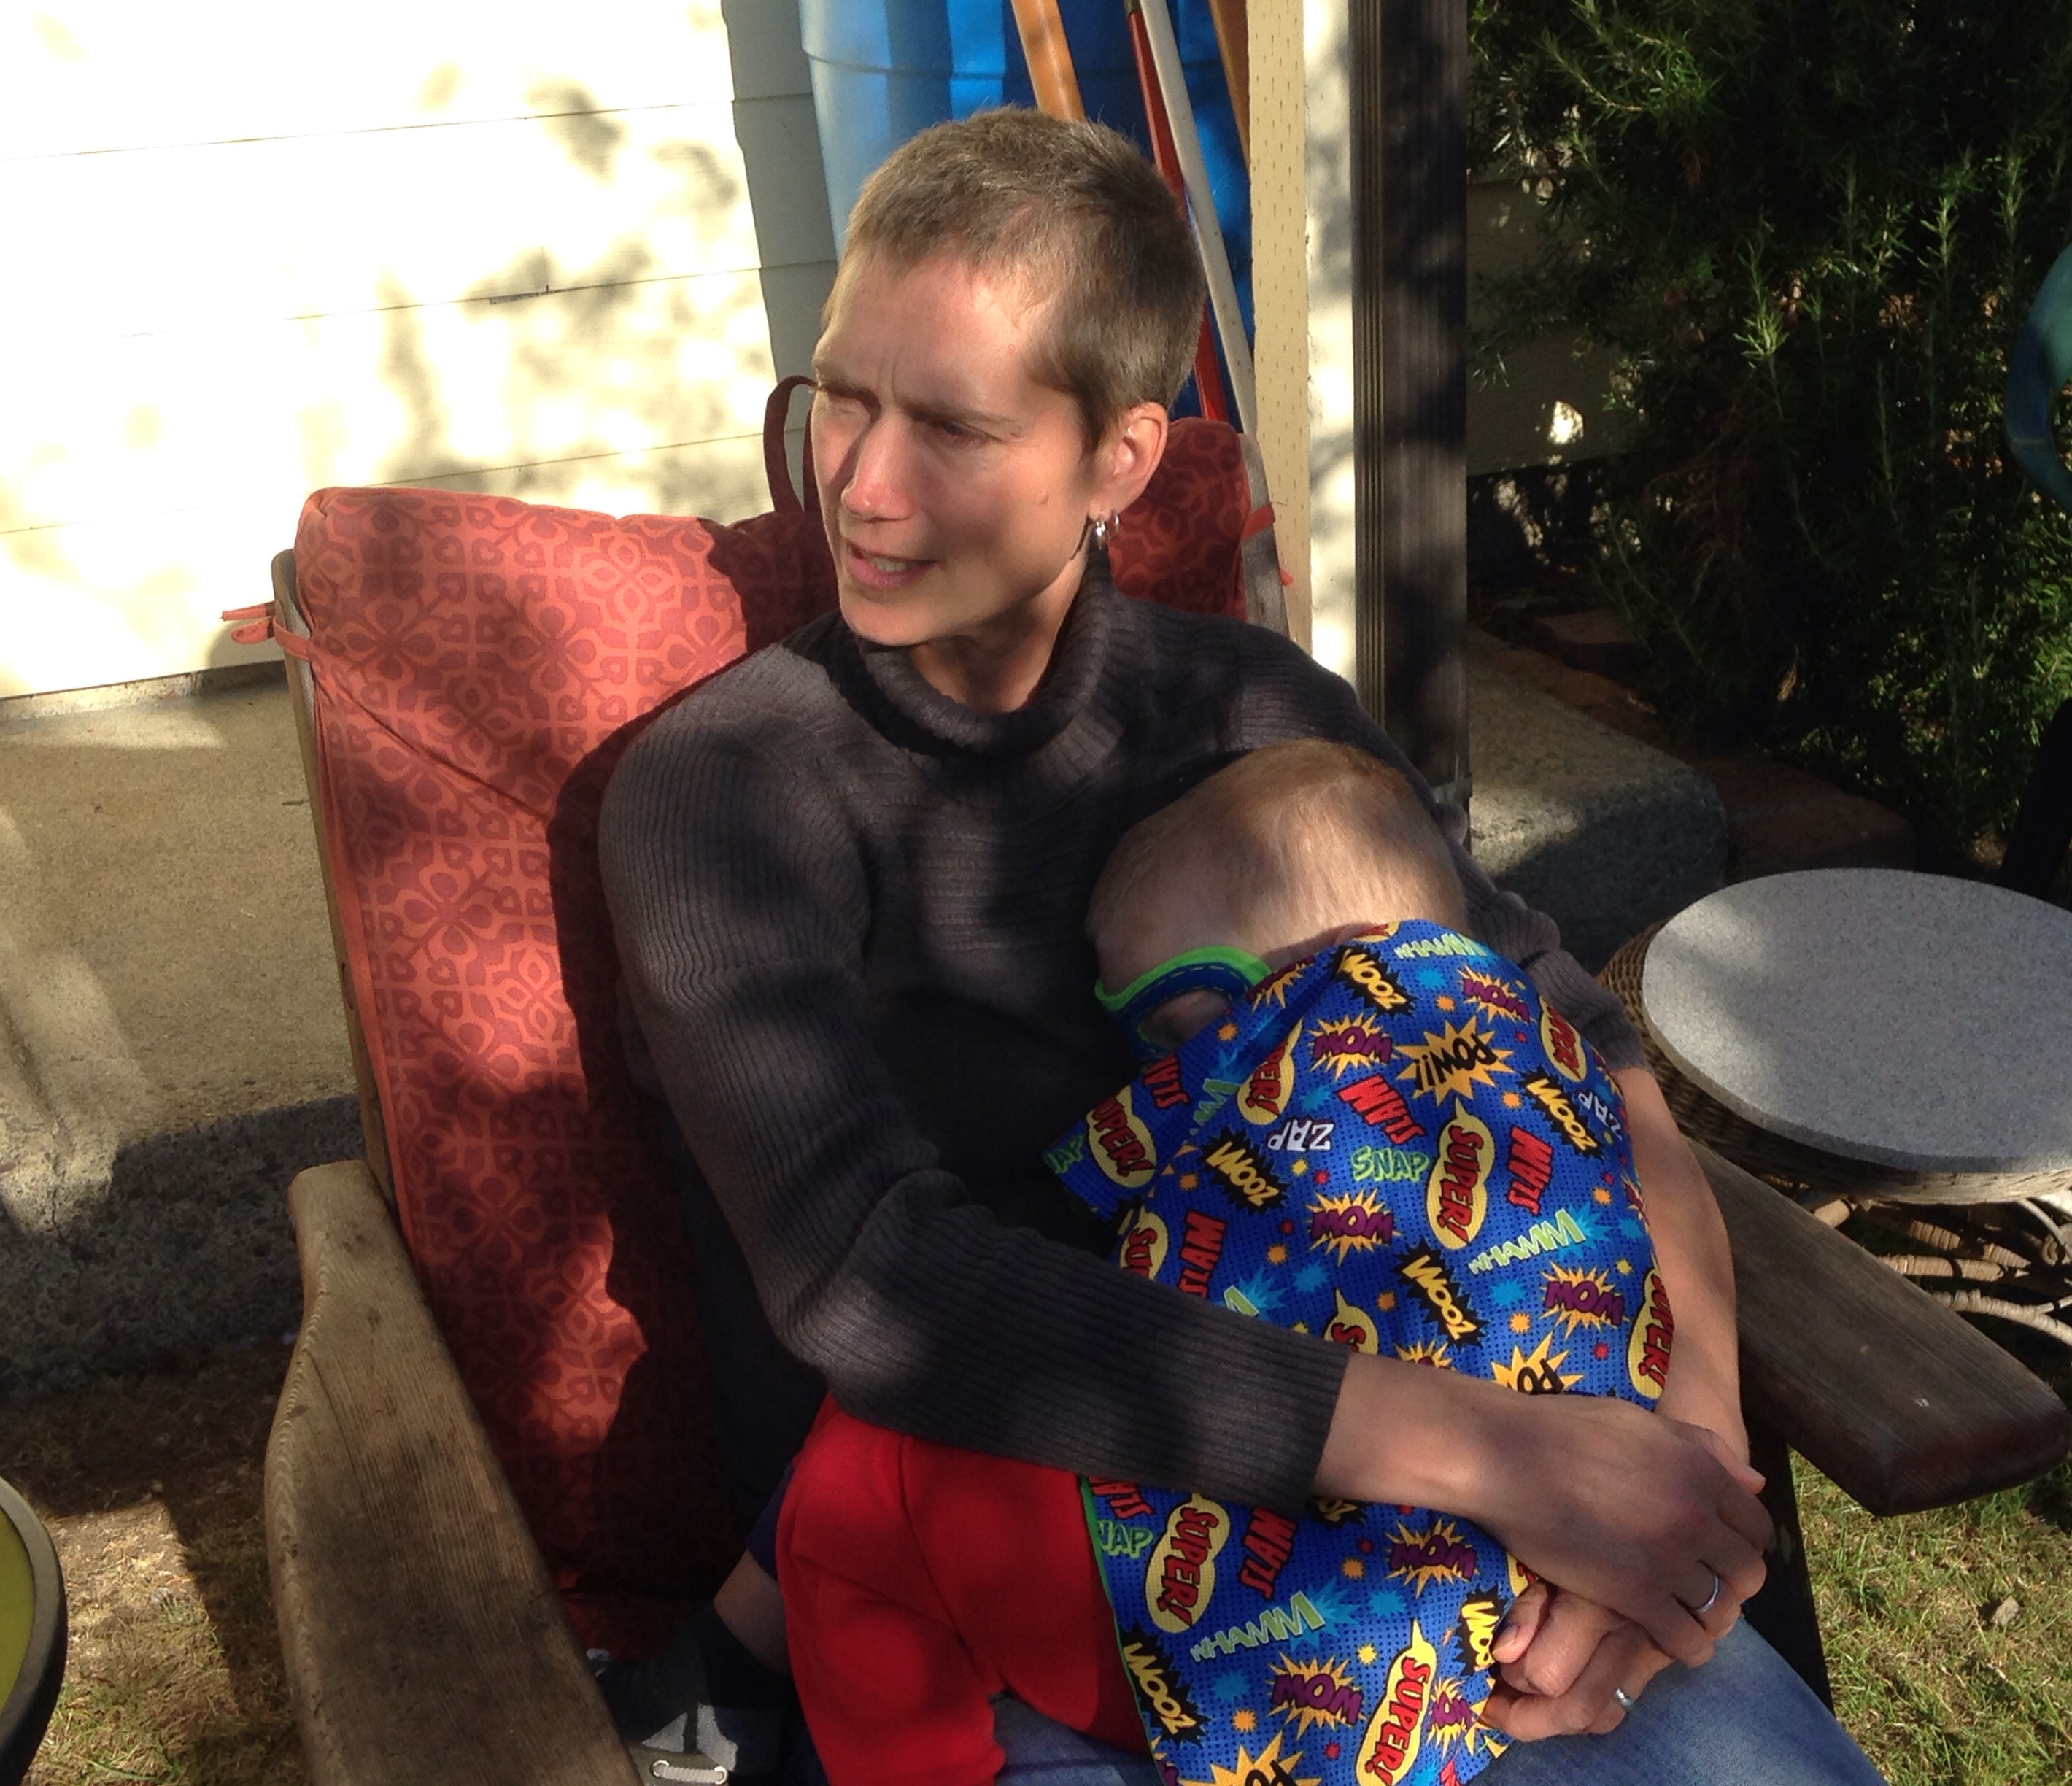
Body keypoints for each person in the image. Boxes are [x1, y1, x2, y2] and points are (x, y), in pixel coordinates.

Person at [598, 105, 1876, 1784]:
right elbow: (873, 1276)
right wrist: (1506, 1458)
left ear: (1121, 460)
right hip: (1025, 1589)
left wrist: (1682, 1457)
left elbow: (1573, 1037)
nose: (861, 482)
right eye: (839, 395)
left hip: (1473, 1538)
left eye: (953, 426)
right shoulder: (727, 792)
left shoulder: (1261, 716)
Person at [774, 738, 1688, 1786]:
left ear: (1312, 969)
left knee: (863, 1476)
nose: (1152, 1070)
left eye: (1173, 1027)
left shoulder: (1306, 1022)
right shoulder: (1559, 1059)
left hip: (1247, 1661)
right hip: (1509, 1634)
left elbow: (1022, 1251)